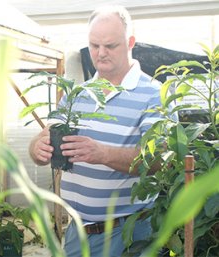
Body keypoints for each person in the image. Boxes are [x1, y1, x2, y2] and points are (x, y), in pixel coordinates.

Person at [29, 5, 166, 257]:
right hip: (77, 232)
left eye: (110, 46)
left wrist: (102, 153)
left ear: (130, 42)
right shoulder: (77, 93)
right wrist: (37, 149)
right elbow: (44, 136)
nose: (100, 53)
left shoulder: (155, 94)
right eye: (94, 45)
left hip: (127, 234)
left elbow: (158, 161)